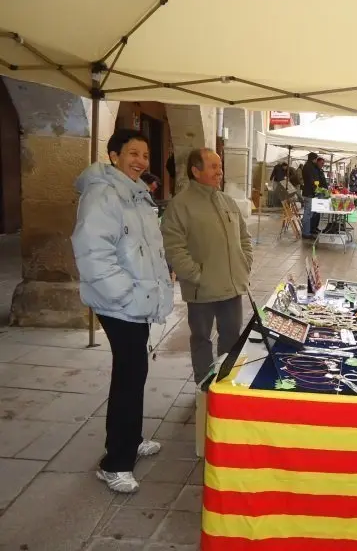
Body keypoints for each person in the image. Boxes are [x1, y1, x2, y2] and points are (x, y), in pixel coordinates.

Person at [71, 129, 174, 493]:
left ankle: (132, 437)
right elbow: (92, 252)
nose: (141, 161)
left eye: (145, 155)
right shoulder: (103, 194)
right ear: (114, 156)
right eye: (133, 153)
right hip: (121, 303)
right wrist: (125, 294)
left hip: (137, 300)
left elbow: (147, 246)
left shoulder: (136, 194)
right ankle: (114, 462)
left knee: (135, 372)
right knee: (129, 376)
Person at [161, 148, 254, 385]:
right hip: (201, 289)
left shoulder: (227, 201)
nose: (219, 172)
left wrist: (245, 262)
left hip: (232, 287)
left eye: (220, 166)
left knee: (232, 337)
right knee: (202, 338)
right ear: (196, 171)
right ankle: (203, 386)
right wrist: (196, 275)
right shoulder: (180, 205)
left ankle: (224, 384)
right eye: (213, 166)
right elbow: (174, 247)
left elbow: (244, 237)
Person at [301, 153, 328, 239]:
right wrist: (316, 190)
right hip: (309, 193)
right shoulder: (309, 167)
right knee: (308, 214)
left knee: (309, 213)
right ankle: (306, 233)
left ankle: (308, 231)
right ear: (314, 159)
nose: (317, 161)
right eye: (316, 159)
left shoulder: (309, 166)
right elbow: (311, 181)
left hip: (310, 193)